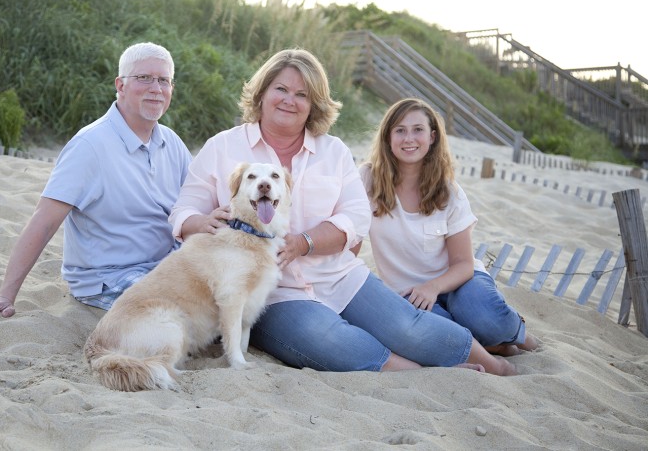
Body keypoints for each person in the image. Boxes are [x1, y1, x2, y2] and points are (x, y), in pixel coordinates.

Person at [169, 48, 516, 375]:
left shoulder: (332, 151)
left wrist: (304, 242)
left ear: (313, 105)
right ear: (261, 93)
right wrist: (200, 222)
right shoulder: (223, 147)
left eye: (302, 94)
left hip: (341, 276)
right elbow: (183, 211)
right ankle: (420, 374)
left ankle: (494, 365)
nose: (290, 100)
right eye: (281, 89)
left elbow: (355, 216)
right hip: (270, 293)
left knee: (408, 327)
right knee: (331, 340)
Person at [0, 42, 191, 325]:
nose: (156, 88)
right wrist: (5, 296)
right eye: (144, 78)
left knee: (225, 297)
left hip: (166, 262)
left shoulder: (173, 142)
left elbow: (194, 204)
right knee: (184, 316)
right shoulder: (90, 146)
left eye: (163, 80)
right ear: (120, 85)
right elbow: (43, 221)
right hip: (111, 275)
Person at [358, 98, 538, 356]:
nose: (409, 138)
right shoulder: (368, 179)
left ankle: (519, 334)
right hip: (408, 293)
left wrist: (433, 287)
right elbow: (349, 231)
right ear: (388, 137)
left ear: (432, 137)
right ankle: (493, 345)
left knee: (486, 318)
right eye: (400, 130)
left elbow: (463, 264)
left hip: (459, 282)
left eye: (417, 129)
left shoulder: (449, 193)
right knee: (444, 334)